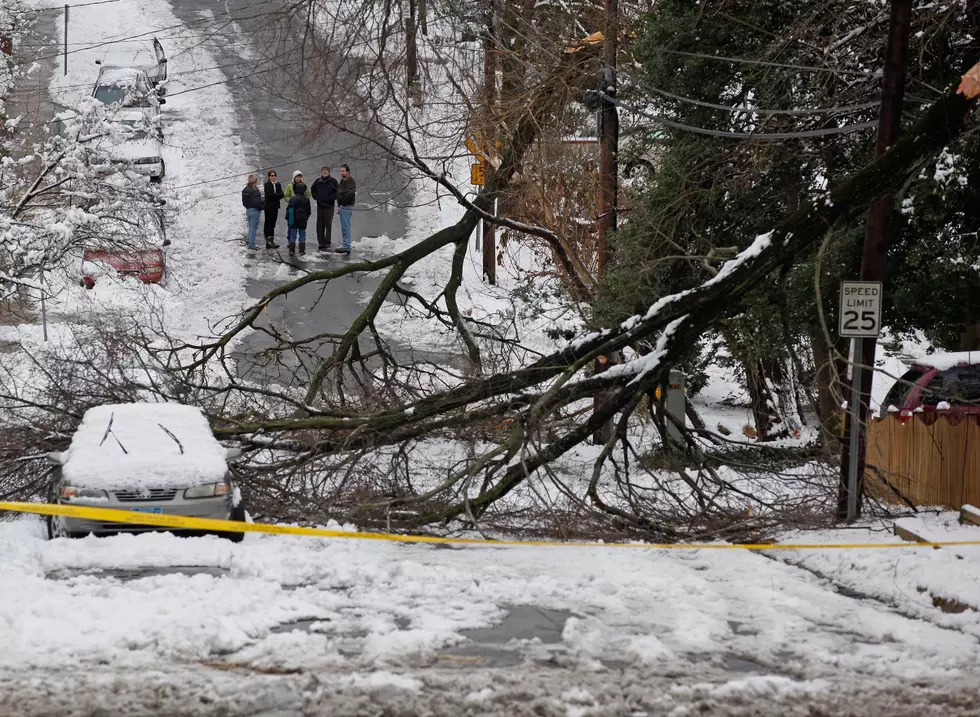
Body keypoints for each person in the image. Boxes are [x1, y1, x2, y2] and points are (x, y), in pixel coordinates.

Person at [310, 165, 339, 251]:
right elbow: (313, 189)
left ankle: (327, 243)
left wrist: (330, 198)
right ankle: (321, 242)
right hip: (320, 206)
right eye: (323, 170)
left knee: (328, 225)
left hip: (329, 206)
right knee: (319, 225)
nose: (324, 172)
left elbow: (337, 192)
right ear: (321, 172)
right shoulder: (318, 181)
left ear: (329, 172)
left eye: (326, 170)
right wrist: (316, 197)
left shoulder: (333, 181)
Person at [286, 181, 312, 256]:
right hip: (303, 220)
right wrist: (306, 218)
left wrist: (289, 221)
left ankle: (292, 251)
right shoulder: (306, 199)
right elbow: (308, 211)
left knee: (293, 235)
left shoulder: (293, 199)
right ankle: (302, 250)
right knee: (302, 235)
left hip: (293, 220)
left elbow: (290, 210)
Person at [335, 164, 356, 254]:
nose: (341, 172)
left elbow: (349, 195)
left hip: (346, 206)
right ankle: (345, 245)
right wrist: (339, 205)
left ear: (348, 171)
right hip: (342, 206)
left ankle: (346, 246)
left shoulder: (350, 181)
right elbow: (339, 194)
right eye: (341, 171)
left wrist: (342, 204)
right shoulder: (342, 181)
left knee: (346, 227)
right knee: (344, 227)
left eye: (343, 171)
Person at [241, 173, 263, 250]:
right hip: (255, 211)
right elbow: (257, 202)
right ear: (255, 181)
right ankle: (252, 245)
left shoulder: (245, 190)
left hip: (248, 210)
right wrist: (262, 207)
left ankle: (250, 242)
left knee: (250, 227)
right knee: (254, 228)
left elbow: (243, 202)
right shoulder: (255, 191)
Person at [262, 170, 283, 249]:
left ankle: (271, 239)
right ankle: (268, 239)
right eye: (271, 175)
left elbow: (282, 194)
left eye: (274, 175)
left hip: (275, 206)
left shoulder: (278, 184)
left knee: (273, 223)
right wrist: (277, 195)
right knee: (268, 223)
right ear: (269, 177)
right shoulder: (267, 184)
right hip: (268, 207)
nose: (273, 177)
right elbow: (270, 195)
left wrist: (276, 195)